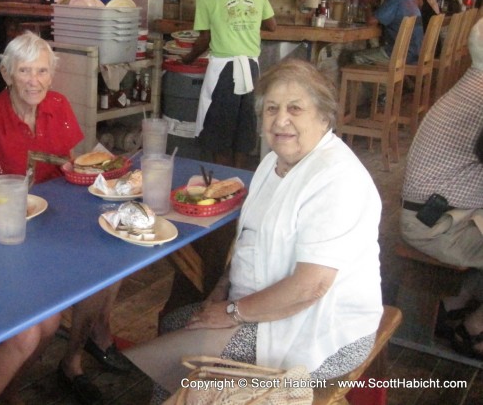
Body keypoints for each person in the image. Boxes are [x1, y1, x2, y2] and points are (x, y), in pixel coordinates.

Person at [125, 57, 383, 403]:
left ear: (324, 116)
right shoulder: (273, 163)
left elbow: (311, 287)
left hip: (321, 330)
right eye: (271, 109)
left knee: (180, 356)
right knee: (179, 323)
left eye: (295, 108)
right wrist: (220, 290)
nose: (281, 120)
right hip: (265, 310)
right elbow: (250, 239)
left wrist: (233, 312)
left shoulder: (336, 179)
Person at [0, 31, 132, 404]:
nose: (34, 80)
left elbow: (74, 167)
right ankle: (7, 379)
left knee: (110, 264)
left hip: (61, 218)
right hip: (13, 231)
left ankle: (73, 357)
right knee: (48, 311)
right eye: (24, 71)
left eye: (42, 71)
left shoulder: (58, 104)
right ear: (8, 74)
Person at [400, 18, 483, 359]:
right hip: (434, 225)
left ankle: (454, 304)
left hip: (438, 213)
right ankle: (473, 330)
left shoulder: (473, 83)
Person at [180, 0, 277, 169]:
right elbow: (272, 25)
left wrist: (189, 58)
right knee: (244, 129)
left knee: (220, 132)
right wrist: (246, 20)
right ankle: (239, 181)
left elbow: (205, 38)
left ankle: (223, 179)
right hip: (252, 69)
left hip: (224, 72)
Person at [341, 0, 423, 66]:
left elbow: (371, 21)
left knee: (354, 57)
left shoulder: (394, 0)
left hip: (401, 55)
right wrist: (373, 4)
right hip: (414, 52)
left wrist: (367, 5)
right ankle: (379, 80)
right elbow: (385, 15)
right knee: (371, 51)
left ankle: (372, 80)